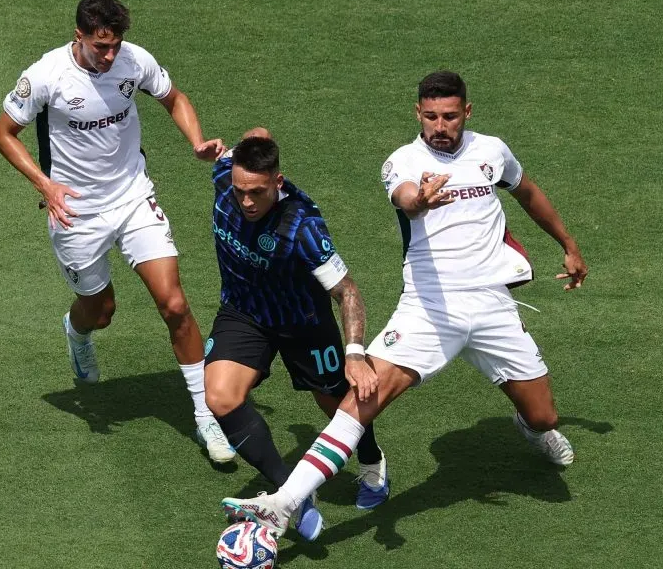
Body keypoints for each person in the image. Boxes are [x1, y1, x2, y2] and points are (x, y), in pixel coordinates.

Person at [221, 70, 590, 535]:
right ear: (418, 113)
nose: (441, 125)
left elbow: (528, 191)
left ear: (467, 113)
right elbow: (407, 199)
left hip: (493, 305)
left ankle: (530, 426)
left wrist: (569, 245)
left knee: (544, 415)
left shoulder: (492, 151)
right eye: (431, 116)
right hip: (429, 310)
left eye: (450, 116)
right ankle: (283, 502)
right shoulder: (402, 162)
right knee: (362, 397)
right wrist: (423, 200)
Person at [0, 0, 234, 463]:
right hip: (76, 212)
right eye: (100, 46)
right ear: (78, 35)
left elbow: (174, 97)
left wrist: (197, 141)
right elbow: (2, 134)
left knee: (176, 305)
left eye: (115, 45)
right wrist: (46, 183)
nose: (109, 56)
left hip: (132, 197)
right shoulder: (45, 76)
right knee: (100, 311)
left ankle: (206, 416)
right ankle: (77, 334)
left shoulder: (133, 61)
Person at [203, 129, 385, 540]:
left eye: (258, 193)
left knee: (337, 405)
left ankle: (372, 464)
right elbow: (254, 137)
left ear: (278, 183)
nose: (246, 202)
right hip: (244, 313)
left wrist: (355, 353)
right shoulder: (224, 175)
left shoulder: (303, 227)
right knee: (220, 397)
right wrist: (247, 139)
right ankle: (293, 495)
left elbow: (347, 291)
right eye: (240, 191)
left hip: (303, 322)